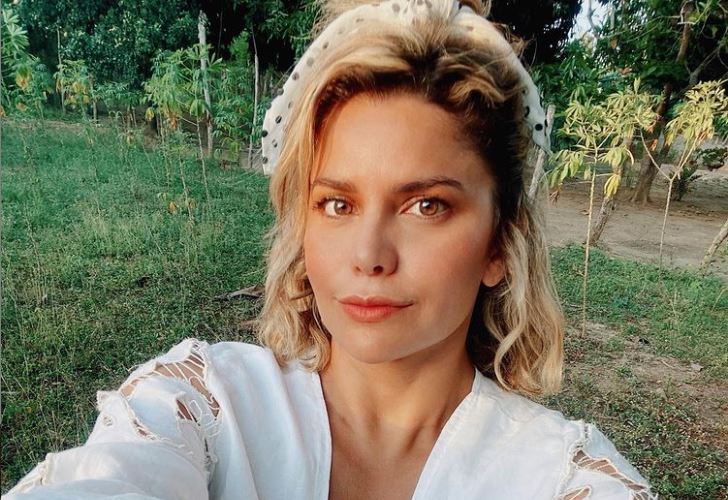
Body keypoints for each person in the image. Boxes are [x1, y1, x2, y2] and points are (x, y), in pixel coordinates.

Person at [4, 1, 657, 499]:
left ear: (499, 245)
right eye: (337, 204)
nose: (369, 255)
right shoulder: (204, 409)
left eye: (427, 205)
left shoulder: (559, 477)